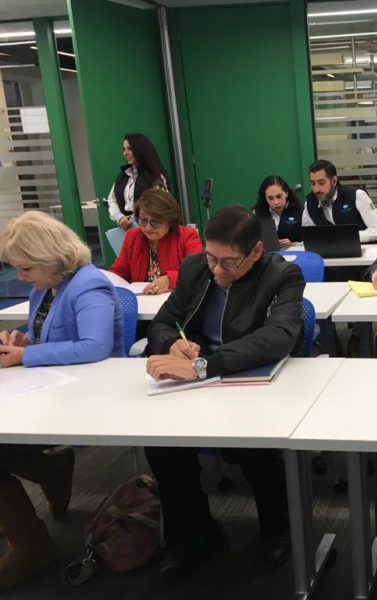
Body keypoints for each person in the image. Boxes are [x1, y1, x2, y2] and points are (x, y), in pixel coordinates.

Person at [144, 205, 305, 577]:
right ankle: (195, 532)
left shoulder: (283, 275)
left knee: (253, 444)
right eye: (211, 258)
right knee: (161, 444)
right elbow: (163, 322)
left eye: (228, 262)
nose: (216, 270)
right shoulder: (194, 268)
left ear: (256, 252)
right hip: (200, 379)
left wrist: (203, 366)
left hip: (251, 379)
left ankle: (277, 529)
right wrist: (172, 344)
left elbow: (278, 337)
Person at [0, 211, 125, 591]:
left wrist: (26, 355)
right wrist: (24, 339)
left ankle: (31, 546)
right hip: (56, 389)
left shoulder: (88, 285)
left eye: (25, 268)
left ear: (50, 257)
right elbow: (47, 331)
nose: (20, 276)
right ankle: (50, 473)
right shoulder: (46, 286)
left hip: (93, 398)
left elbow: (94, 346)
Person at [109, 189, 202, 295]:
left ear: (170, 220)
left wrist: (170, 279)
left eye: (156, 222)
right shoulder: (133, 236)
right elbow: (118, 272)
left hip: (177, 300)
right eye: (143, 220)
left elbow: (197, 272)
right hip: (142, 300)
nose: (148, 228)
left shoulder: (187, 236)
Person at [302, 159, 377, 243]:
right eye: (313, 183)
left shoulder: (356, 195)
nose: (316, 189)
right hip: (330, 251)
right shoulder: (310, 204)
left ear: (334, 181)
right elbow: (309, 237)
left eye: (321, 183)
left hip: (364, 249)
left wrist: (349, 237)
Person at [107, 132, 169, 231]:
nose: (125, 153)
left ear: (141, 150)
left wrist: (138, 220)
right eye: (124, 149)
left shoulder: (154, 177)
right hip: (126, 229)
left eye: (130, 149)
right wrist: (119, 217)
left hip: (150, 228)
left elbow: (160, 205)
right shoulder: (122, 175)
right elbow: (112, 199)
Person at [252, 174, 304, 246]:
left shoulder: (301, 210)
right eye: (270, 198)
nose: (276, 202)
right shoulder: (257, 213)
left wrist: (294, 244)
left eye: (279, 196)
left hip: (295, 250)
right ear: (265, 198)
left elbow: (312, 241)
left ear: (286, 193)